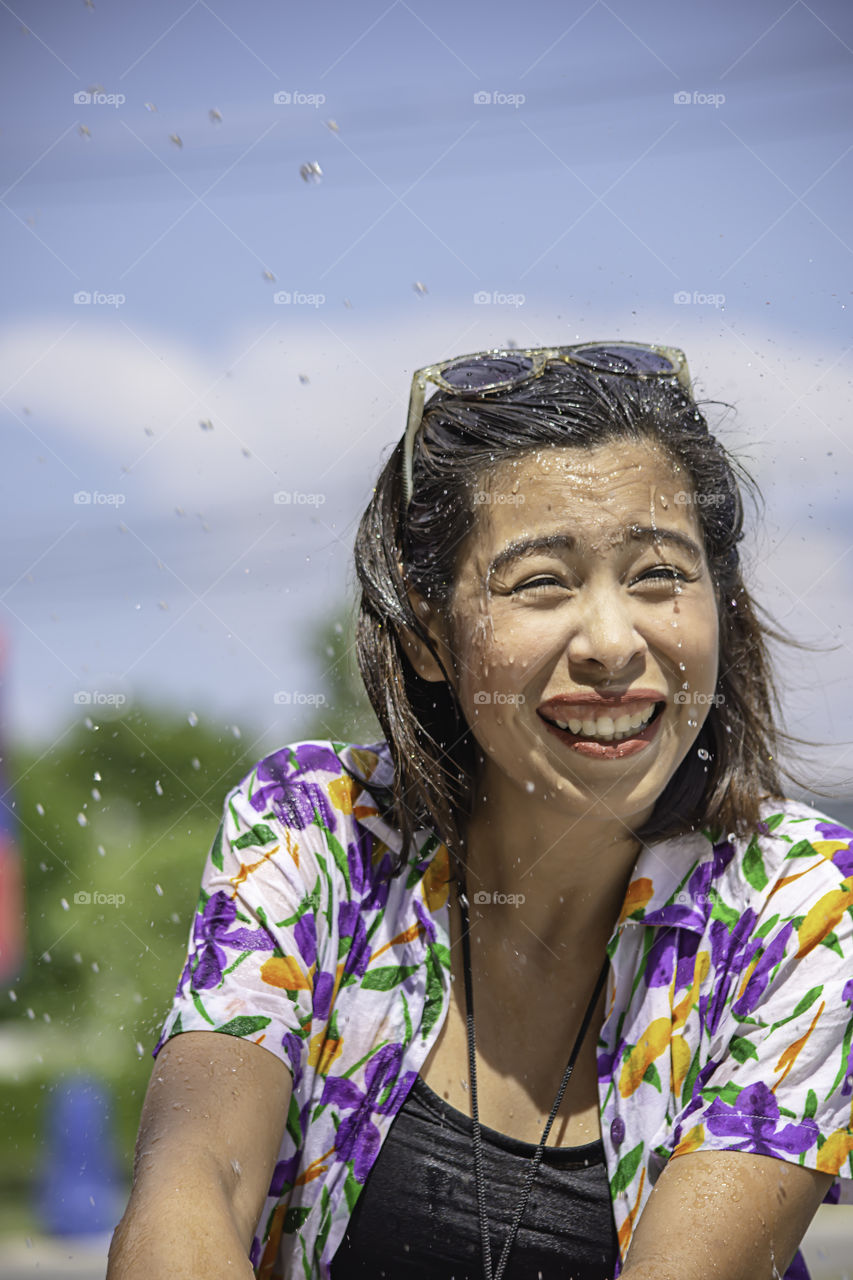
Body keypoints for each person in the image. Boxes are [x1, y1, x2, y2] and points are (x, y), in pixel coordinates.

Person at [107, 343, 853, 1280]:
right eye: (541, 582)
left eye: (659, 574)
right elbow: (190, 1192)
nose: (612, 642)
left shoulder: (801, 905)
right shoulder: (317, 830)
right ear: (428, 632)